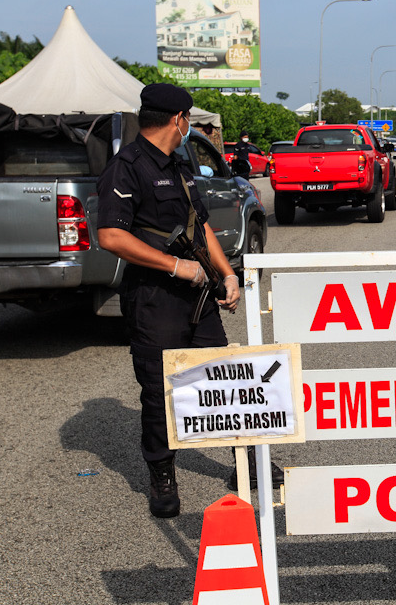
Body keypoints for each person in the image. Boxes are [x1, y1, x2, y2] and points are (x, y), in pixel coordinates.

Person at [96, 84, 278, 518]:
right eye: (188, 119)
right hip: (155, 298)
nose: (189, 126)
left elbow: (201, 228)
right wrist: (173, 266)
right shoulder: (127, 168)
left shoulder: (178, 166)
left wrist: (228, 273)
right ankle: (162, 476)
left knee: (228, 383)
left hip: (198, 297)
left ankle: (247, 465)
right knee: (160, 392)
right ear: (177, 119)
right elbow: (111, 235)